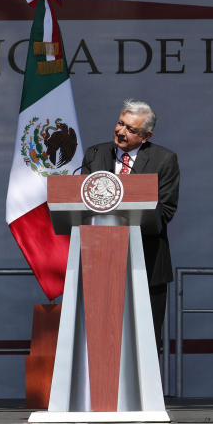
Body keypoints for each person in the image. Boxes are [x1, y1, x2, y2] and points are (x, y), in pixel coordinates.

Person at [80, 99, 179, 352]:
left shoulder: (164, 159)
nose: (121, 132)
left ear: (147, 136)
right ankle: (101, 392)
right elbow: (80, 204)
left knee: (143, 342)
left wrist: (132, 207)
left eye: (131, 130)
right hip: (99, 261)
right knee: (102, 342)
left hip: (146, 261)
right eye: (120, 123)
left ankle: (146, 393)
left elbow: (166, 211)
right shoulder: (95, 154)